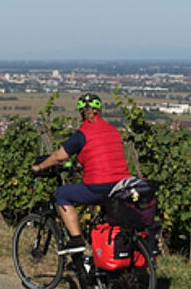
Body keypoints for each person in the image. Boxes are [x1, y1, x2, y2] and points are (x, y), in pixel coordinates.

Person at [31, 92, 131, 255]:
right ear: (100, 111)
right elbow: (102, 155)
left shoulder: (83, 133)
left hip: (99, 187)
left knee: (62, 193)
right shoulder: (113, 130)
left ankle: (77, 240)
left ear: (81, 112)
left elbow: (59, 156)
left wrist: (39, 167)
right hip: (121, 186)